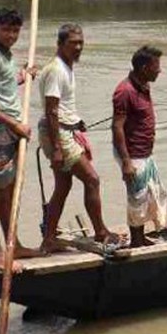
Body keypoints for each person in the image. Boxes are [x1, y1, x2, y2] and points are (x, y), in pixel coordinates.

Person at [38, 24, 120, 252]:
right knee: (92, 179)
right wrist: (56, 148)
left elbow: (61, 108)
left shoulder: (66, 67)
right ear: (60, 44)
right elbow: (51, 110)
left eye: (81, 42)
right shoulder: (56, 70)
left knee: (63, 186)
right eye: (73, 43)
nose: (78, 47)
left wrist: (76, 122)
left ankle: (49, 238)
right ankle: (101, 232)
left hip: (64, 129)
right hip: (58, 134)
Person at [0, 9, 42, 271]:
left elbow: (1, 91)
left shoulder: (6, 56)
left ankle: (13, 244)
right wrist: (14, 123)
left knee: (8, 193)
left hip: (13, 132)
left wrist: (21, 77)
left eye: (16, 30)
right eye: (6, 29)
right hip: (0, 134)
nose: (11, 35)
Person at [112, 46, 167, 248]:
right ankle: (136, 241)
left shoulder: (142, 86)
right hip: (132, 153)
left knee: (149, 195)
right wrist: (126, 162)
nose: (159, 71)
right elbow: (117, 127)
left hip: (144, 152)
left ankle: (140, 237)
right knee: (136, 198)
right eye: (156, 66)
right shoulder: (124, 91)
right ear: (144, 68)